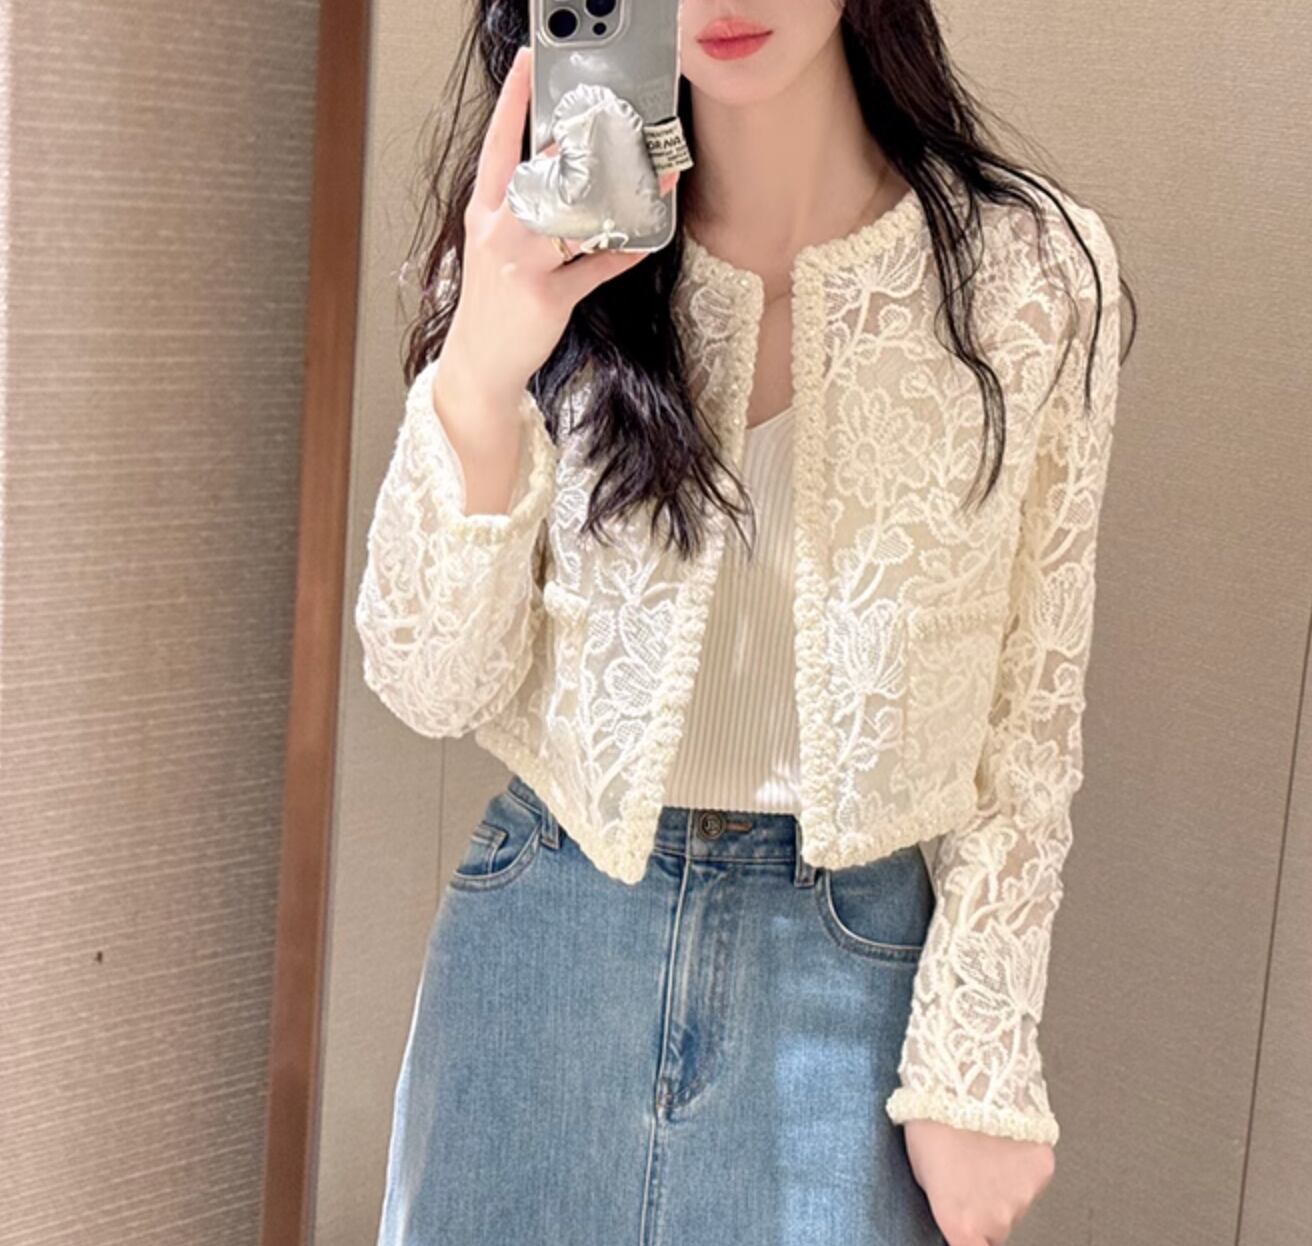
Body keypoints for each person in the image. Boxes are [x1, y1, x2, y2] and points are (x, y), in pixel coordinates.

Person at [354, 3, 1138, 1244]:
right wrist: (482, 371)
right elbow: (429, 684)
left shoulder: (1029, 276)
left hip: (850, 978)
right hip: (544, 943)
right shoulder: (536, 245)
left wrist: (979, 1053)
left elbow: (1029, 717)